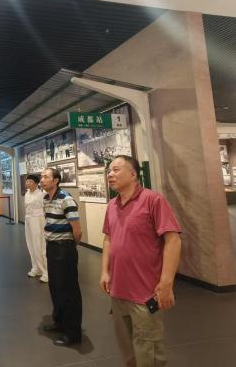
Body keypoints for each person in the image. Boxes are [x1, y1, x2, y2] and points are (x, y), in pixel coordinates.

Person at [100, 155, 181, 367]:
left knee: (149, 353)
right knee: (128, 351)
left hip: (145, 293)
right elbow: (108, 239)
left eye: (116, 169)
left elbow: (173, 240)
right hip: (118, 291)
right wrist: (105, 271)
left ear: (133, 174)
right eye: (109, 171)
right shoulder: (112, 205)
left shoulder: (153, 200)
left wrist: (166, 283)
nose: (110, 174)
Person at [40, 167, 82, 347]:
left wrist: (69, 246)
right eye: (41, 177)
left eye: (46, 177)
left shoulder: (66, 199)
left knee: (69, 291)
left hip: (65, 249)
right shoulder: (46, 198)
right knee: (56, 287)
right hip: (52, 247)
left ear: (56, 180)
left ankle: (73, 333)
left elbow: (77, 230)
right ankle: (59, 322)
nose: (42, 179)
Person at [23, 174, 47, 283]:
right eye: (27, 181)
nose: (27, 183)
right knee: (31, 244)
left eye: (30, 181)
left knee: (40, 245)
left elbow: (44, 208)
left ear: (36, 183)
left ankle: (45, 271)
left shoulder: (41, 194)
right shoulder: (27, 194)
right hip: (28, 220)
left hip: (38, 220)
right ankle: (36, 268)